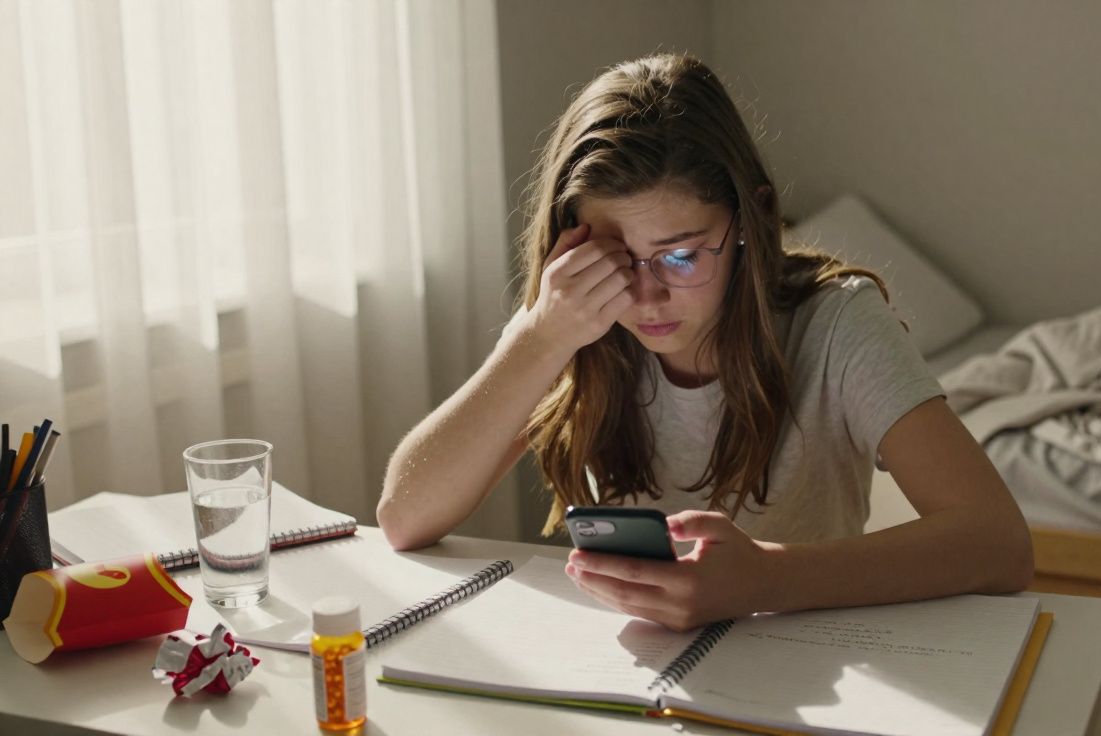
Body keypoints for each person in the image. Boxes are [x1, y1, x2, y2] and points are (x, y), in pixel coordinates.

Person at [377, 53, 1033, 631]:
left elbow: (998, 544)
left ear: (752, 219)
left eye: (682, 256)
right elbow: (404, 519)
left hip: (801, 659)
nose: (646, 295)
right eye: (614, 259)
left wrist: (767, 580)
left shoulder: (837, 325)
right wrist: (539, 338)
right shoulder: (578, 320)